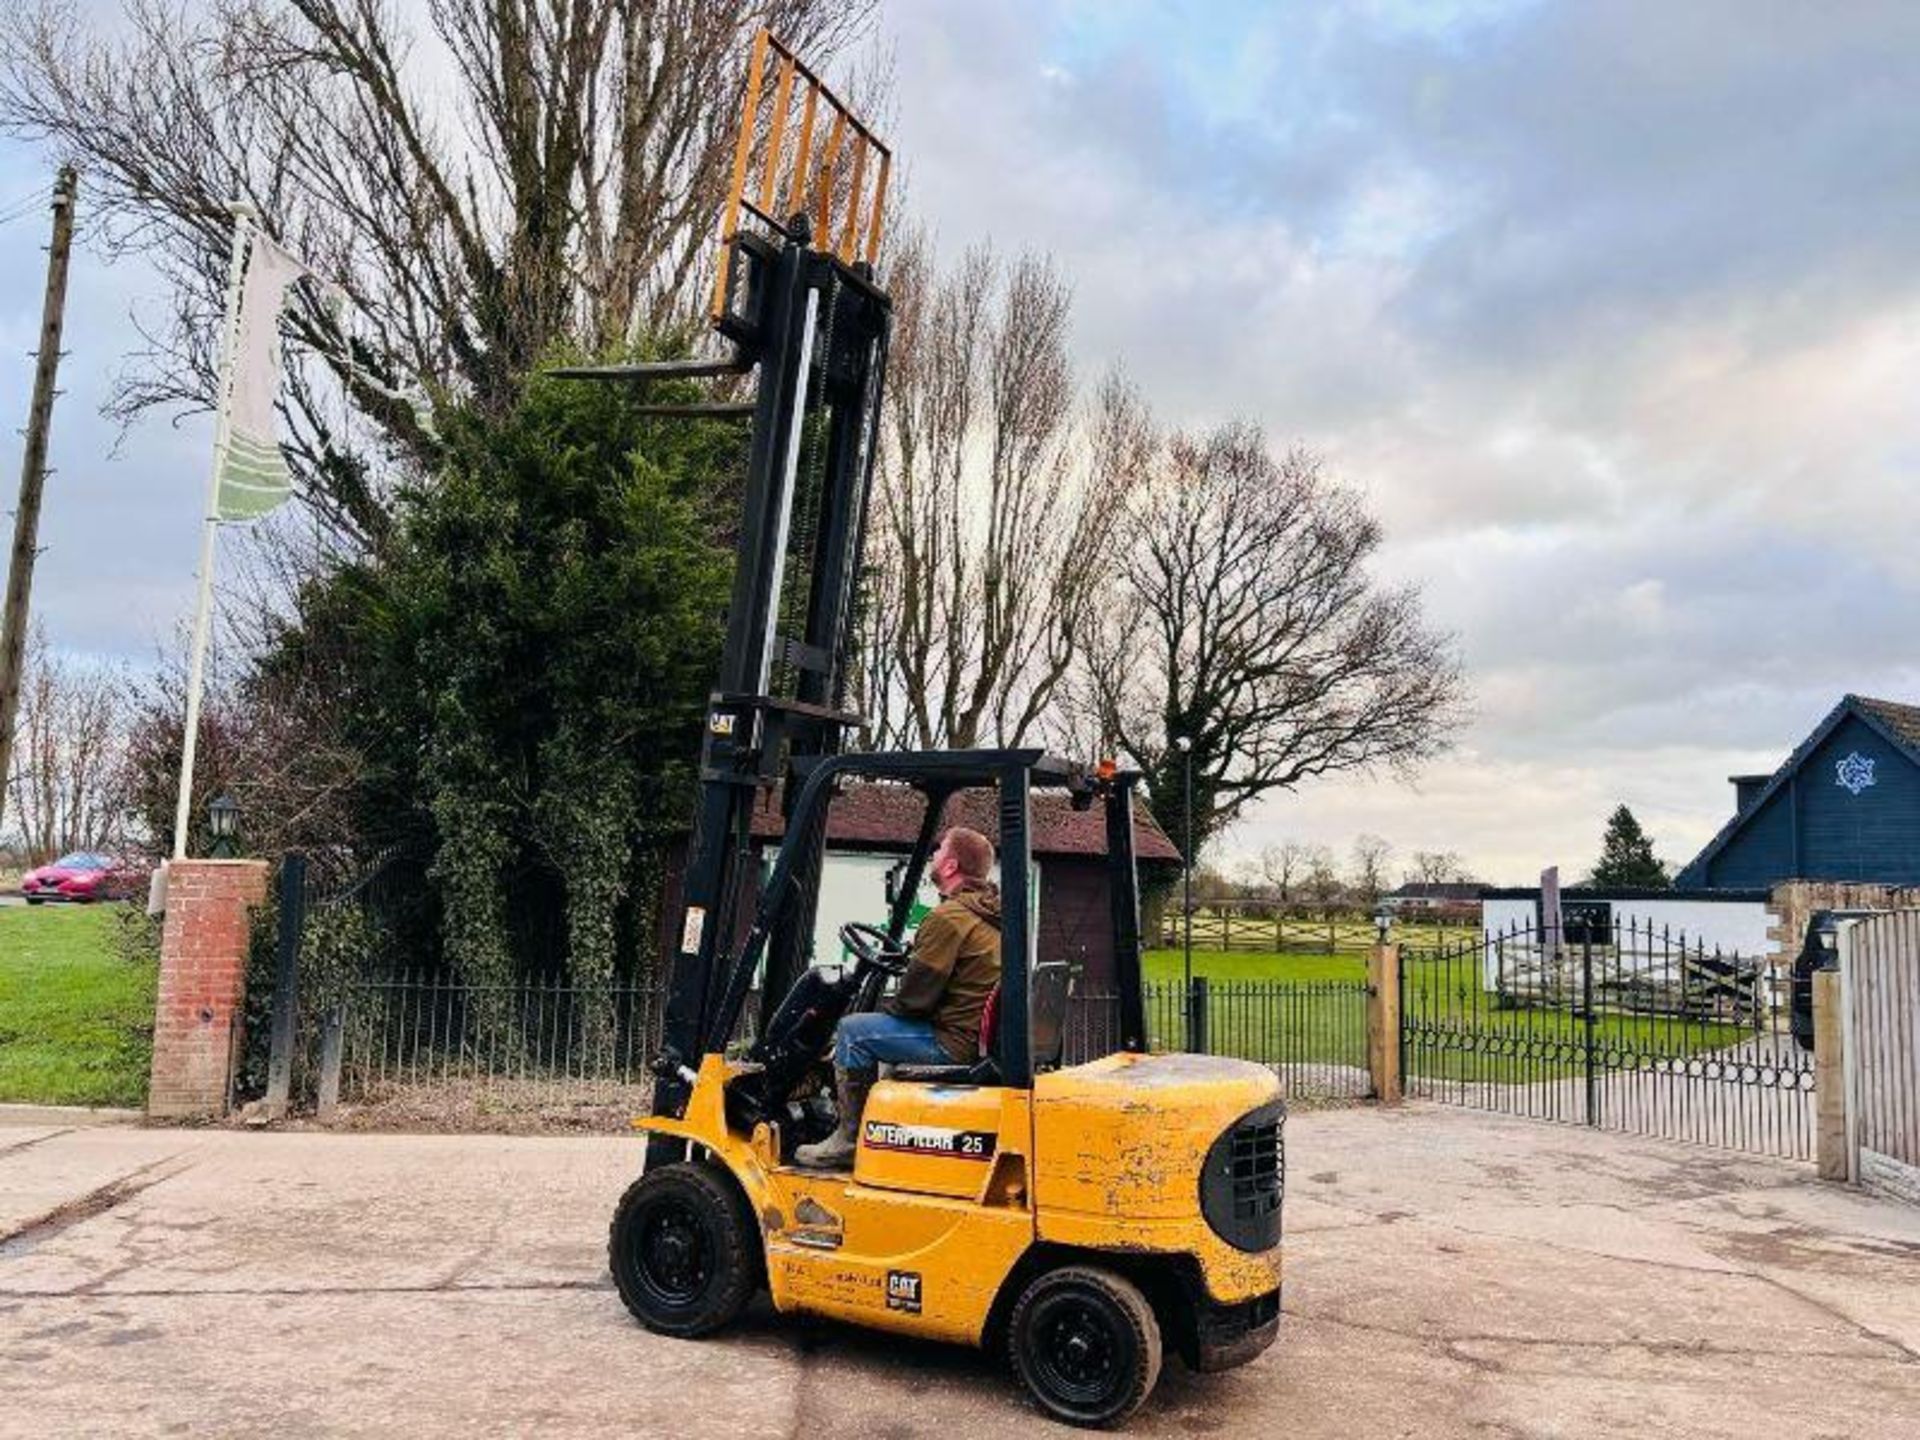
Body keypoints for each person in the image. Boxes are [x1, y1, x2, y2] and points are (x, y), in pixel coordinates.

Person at [795, 825, 1002, 1168]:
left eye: (938, 851)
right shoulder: (987, 915)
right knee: (871, 1028)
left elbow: (914, 1001)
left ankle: (848, 1139)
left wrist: (879, 1008)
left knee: (853, 1032)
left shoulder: (949, 918)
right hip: (972, 1037)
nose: (933, 856)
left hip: (951, 1042)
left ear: (950, 867)